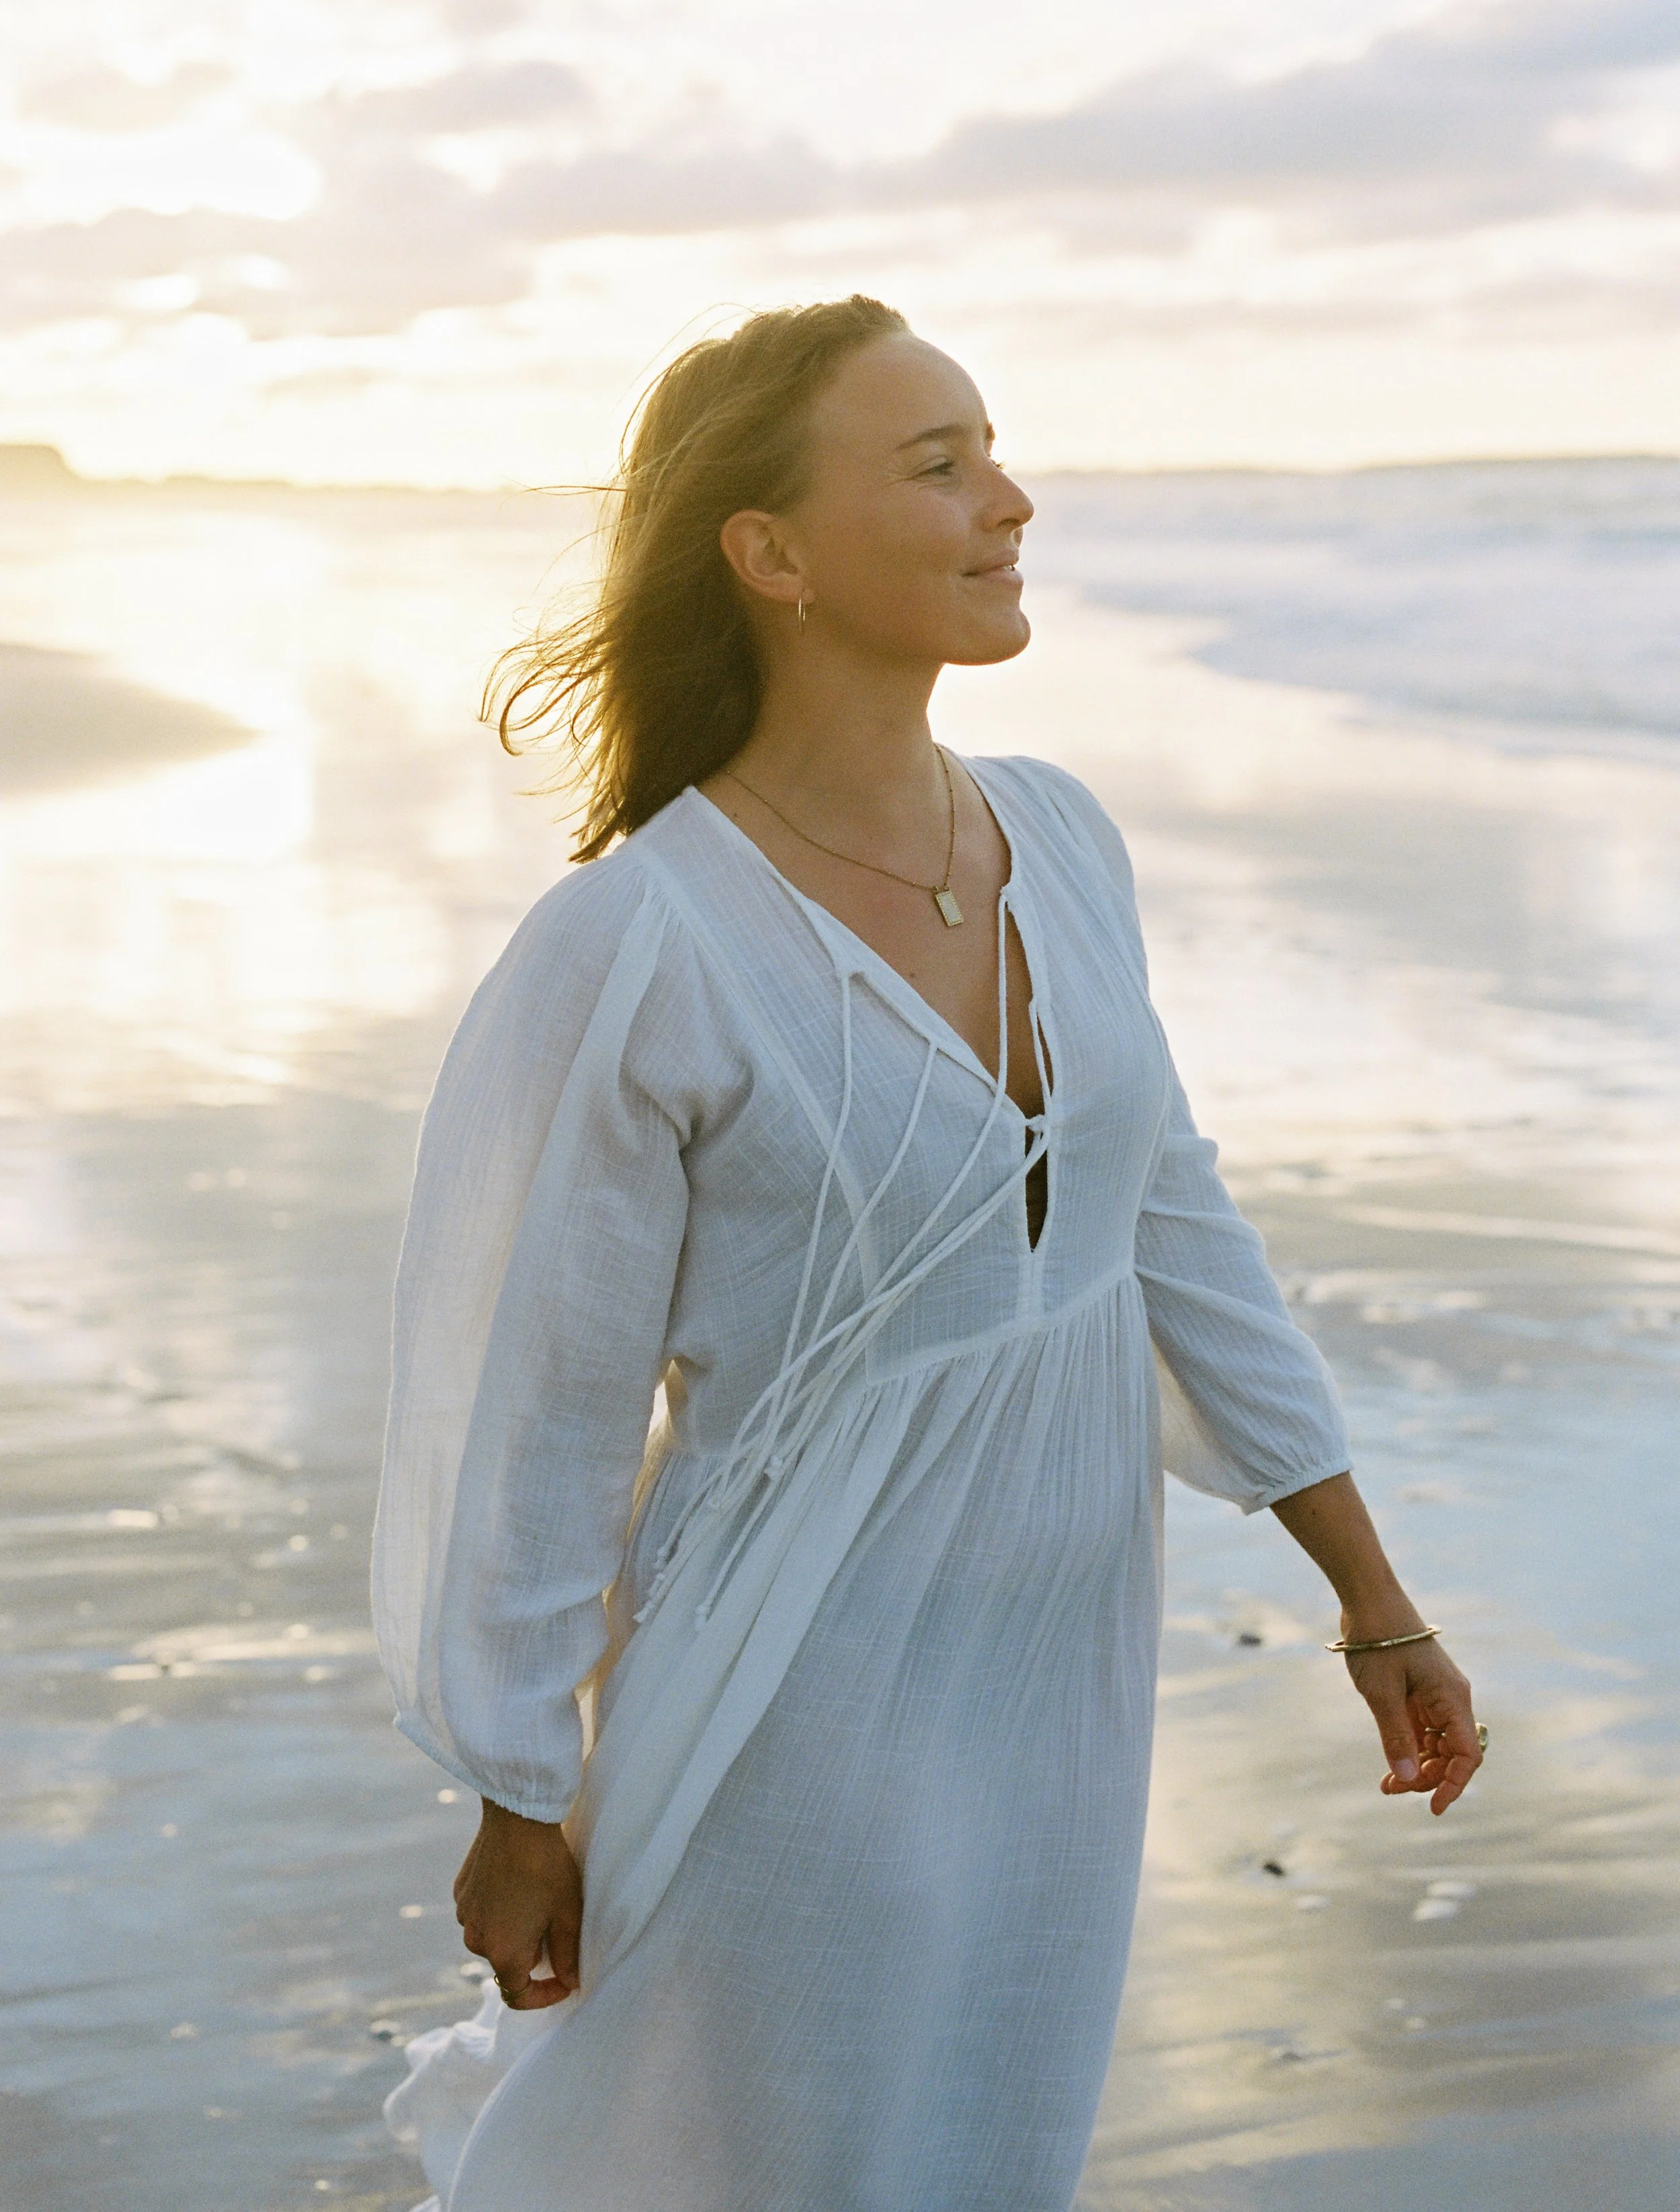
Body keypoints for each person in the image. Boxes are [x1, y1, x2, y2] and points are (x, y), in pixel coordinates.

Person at [372, 294, 1482, 2212]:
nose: (1010, 500)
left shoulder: (1061, 839)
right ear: (770, 552)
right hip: (795, 1670)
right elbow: (538, 1405)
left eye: (995, 451)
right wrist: (519, 1788)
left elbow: (1174, 1227)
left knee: (985, 2144)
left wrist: (1370, 1594)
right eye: (939, 464)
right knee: (771, 2159)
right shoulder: (638, 945)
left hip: (1059, 1668)